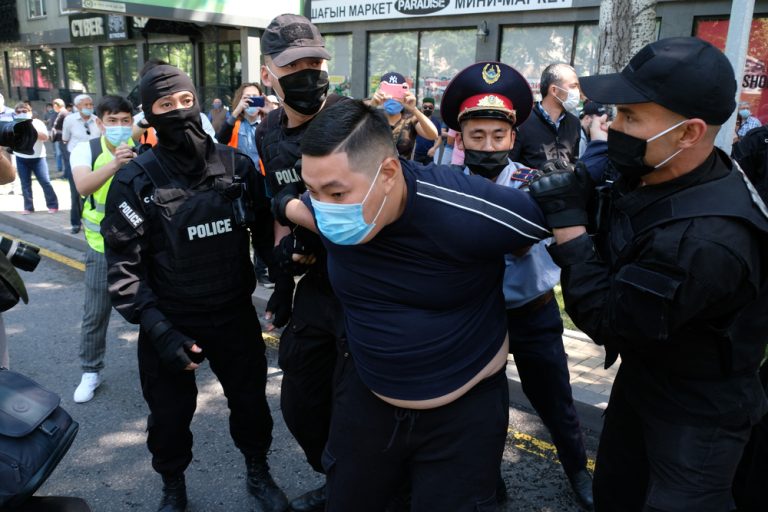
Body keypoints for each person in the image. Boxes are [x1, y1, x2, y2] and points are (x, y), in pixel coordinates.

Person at [528, 37, 768, 512]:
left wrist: (570, 229)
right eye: (617, 112)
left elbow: (608, 319)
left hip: (696, 417)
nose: (613, 126)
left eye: (631, 117)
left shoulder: (704, 240)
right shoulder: (669, 171)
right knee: (616, 493)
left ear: (688, 133)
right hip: (645, 382)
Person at [280, 99, 549, 511]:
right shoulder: (331, 206)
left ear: (388, 173)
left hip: (462, 417)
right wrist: (286, 205)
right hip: (367, 400)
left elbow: (548, 223)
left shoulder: (464, 206)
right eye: (314, 191)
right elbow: (304, 207)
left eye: (336, 193)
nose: (325, 207)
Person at [100, 64, 287, 512]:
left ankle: (258, 471)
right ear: (149, 113)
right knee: (169, 418)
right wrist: (157, 327)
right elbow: (124, 267)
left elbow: (266, 232)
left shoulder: (236, 166)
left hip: (233, 315)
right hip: (171, 320)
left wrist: (284, 285)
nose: (180, 112)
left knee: (250, 404)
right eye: (166, 104)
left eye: (186, 101)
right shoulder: (135, 180)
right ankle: (173, 486)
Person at [440, 61, 594, 510]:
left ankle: (577, 470)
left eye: (498, 136)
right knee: (476, 410)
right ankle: (488, 481)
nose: (488, 146)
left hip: (532, 313)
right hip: (473, 316)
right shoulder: (446, 186)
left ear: (513, 138)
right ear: (461, 139)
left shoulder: (537, 185)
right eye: (477, 136)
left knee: (556, 400)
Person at [256, 14, 345, 511]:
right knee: (301, 402)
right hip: (315, 285)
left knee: (359, 404)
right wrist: (283, 275)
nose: (308, 74)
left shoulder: (354, 122)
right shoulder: (268, 131)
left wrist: (293, 210)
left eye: (315, 63)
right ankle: (338, 478)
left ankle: (360, 490)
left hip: (362, 284)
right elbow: (278, 206)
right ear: (268, 73)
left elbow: (368, 216)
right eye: (293, 66)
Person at [70, 95, 136, 403]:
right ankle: (90, 370)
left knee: (156, 305)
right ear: (100, 123)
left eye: (125, 121)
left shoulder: (142, 147)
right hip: (101, 248)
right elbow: (83, 186)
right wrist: (115, 163)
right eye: (112, 121)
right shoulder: (88, 149)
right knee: (96, 313)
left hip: (140, 246)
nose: (119, 126)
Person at [216, 82, 273, 288]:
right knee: (238, 227)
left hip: (263, 183)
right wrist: (236, 111)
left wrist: (271, 112)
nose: (251, 102)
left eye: (255, 97)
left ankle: (262, 270)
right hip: (239, 183)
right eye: (247, 98)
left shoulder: (267, 123)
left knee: (263, 227)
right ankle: (238, 271)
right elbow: (220, 140)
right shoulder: (235, 124)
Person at [511, 63, 581, 169]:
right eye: (573, 86)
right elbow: (510, 167)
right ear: (554, 90)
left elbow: (574, 163)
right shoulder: (522, 122)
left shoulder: (574, 123)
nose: (577, 92)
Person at [368, 72, 438, 159]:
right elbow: (354, 133)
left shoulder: (410, 119)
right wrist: (371, 106)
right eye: (389, 92)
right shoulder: (373, 118)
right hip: (375, 167)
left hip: (403, 167)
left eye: (397, 93)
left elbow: (433, 135)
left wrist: (414, 109)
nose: (393, 98)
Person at [62, 94, 101, 233]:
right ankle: (75, 223)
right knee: (76, 193)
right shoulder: (69, 120)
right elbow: (65, 138)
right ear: (78, 106)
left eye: (91, 104)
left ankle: (92, 221)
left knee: (94, 191)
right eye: (86, 105)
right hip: (76, 160)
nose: (89, 107)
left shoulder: (97, 120)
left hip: (95, 158)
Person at [12, 102, 59, 214]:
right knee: (25, 183)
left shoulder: (37, 123)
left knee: (45, 181)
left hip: (38, 158)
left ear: (30, 112)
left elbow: (45, 137)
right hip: (21, 158)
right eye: (19, 112)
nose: (21, 113)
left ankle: (53, 205)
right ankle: (28, 207)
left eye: (24, 111)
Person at [412, 97, 441, 165]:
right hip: (416, 153)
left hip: (429, 154)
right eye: (425, 107)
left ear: (433, 109)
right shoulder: (415, 120)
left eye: (430, 107)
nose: (427, 109)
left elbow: (439, 138)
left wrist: (434, 148)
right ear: (422, 108)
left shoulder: (436, 122)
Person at [50, 99, 67, 175]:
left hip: (63, 138)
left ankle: (66, 173)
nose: (53, 107)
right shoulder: (60, 113)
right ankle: (64, 172)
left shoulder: (63, 113)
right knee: (62, 155)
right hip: (60, 138)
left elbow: (55, 125)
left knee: (64, 156)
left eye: (54, 105)